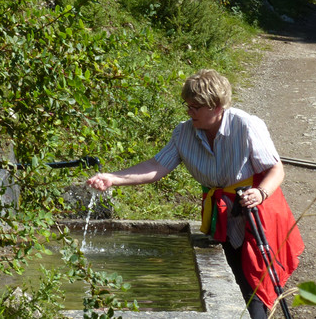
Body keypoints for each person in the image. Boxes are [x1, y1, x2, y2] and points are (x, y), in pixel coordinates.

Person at [87, 69, 304, 318]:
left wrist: (260, 192)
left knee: (257, 280)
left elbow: (276, 169)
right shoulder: (184, 133)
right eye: (187, 105)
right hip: (222, 212)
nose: (189, 112)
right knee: (232, 273)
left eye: (195, 106)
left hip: (258, 211)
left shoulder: (246, 125)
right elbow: (157, 166)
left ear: (217, 106)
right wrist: (112, 178)